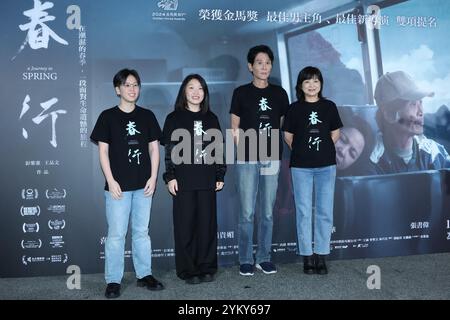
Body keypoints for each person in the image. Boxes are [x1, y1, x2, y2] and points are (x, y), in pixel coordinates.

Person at [90, 68, 164, 299]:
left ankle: (145, 274)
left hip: (144, 186)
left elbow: (154, 149)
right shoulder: (107, 116)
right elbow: (103, 152)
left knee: (142, 232)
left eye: (135, 85)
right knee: (116, 235)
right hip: (118, 188)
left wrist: (153, 178)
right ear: (117, 89)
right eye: (127, 85)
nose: (132, 89)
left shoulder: (147, 116)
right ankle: (113, 280)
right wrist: (110, 181)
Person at [230, 44, 289, 276]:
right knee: (246, 211)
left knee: (266, 211)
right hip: (247, 155)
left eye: (267, 63)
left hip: (271, 156)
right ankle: (245, 258)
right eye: (259, 63)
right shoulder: (241, 93)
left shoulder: (279, 93)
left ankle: (264, 257)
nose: (264, 67)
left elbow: (282, 124)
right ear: (250, 67)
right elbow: (234, 126)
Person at [161, 74, 226, 285]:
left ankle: (207, 267)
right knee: (185, 226)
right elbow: (169, 151)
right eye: (191, 88)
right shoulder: (174, 118)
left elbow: (218, 149)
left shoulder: (211, 118)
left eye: (200, 88)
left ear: (205, 93)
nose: (196, 92)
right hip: (183, 181)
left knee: (207, 226)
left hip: (207, 180)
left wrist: (220, 174)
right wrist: (170, 176)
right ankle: (187, 269)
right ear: (184, 92)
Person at [283, 66, 342, 275]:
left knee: (325, 211)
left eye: (316, 81)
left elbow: (335, 133)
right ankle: (307, 256)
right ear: (300, 85)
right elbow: (288, 137)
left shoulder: (329, 106)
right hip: (301, 167)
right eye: (307, 81)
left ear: (321, 84)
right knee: (304, 211)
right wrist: (302, 151)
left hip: (326, 166)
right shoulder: (294, 108)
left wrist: (322, 149)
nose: (312, 85)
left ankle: (321, 255)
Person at [368, 71, 450, 174]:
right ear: (389, 114)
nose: (421, 112)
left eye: (421, 102)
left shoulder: (435, 154)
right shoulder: (372, 162)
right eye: (413, 104)